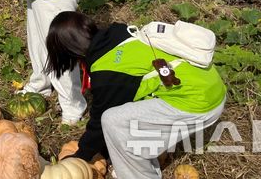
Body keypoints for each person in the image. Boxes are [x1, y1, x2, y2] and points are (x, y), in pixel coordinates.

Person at [44, 11, 226, 179]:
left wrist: (80, 156)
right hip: (211, 87)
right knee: (120, 120)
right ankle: (142, 159)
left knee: (111, 120)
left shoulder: (108, 74)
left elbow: (99, 123)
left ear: (67, 51)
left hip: (200, 104)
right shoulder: (117, 34)